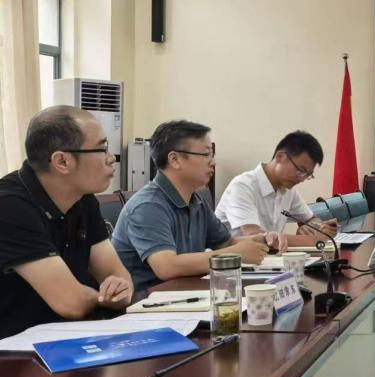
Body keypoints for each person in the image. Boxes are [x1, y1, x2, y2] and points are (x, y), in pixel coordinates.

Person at [0, 106, 133, 339]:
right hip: (15, 348)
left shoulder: (83, 198)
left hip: (67, 336)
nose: (111, 158)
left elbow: (118, 277)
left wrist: (119, 290)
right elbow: (71, 303)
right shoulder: (9, 206)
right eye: (101, 148)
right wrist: (104, 297)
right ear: (62, 161)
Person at [112, 120, 279, 293]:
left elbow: (226, 243)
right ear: (175, 160)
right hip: (146, 302)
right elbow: (167, 266)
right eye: (206, 154)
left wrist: (263, 240)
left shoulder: (196, 201)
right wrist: (235, 255)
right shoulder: (147, 206)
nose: (212, 162)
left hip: (183, 295)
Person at [215, 131, 339, 246]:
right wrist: (315, 240)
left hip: (269, 258)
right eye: (301, 170)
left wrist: (313, 227)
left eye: (307, 175)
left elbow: (311, 218)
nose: (301, 179)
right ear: (280, 157)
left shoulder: (288, 190)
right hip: (234, 260)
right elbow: (256, 238)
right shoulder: (242, 186)